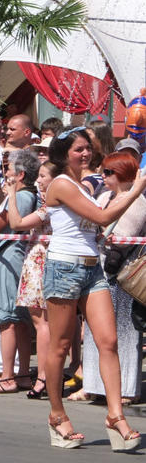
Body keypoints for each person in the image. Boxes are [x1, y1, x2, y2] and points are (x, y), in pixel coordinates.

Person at [41, 127, 146, 451]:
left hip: (91, 268)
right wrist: (137, 187)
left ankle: (116, 415)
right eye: (78, 150)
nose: (86, 154)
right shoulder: (61, 184)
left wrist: (100, 236)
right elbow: (102, 215)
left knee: (108, 341)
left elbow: (93, 225)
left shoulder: (85, 185)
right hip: (64, 268)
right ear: (63, 155)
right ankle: (57, 414)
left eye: (88, 148)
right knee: (59, 346)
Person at [77, 152, 146, 405]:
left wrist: (100, 239)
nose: (103, 177)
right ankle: (93, 385)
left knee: (125, 334)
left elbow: (125, 237)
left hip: (122, 275)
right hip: (99, 269)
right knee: (97, 332)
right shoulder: (104, 197)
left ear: (124, 175)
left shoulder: (136, 201)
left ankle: (127, 389)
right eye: (103, 172)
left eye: (108, 173)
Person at [0, 149, 39, 394]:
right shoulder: (22, 195)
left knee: (7, 319)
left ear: (20, 174)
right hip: (12, 256)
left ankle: (9, 375)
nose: (4, 174)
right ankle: (21, 374)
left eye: (8, 170)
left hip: (8, 258)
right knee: (18, 320)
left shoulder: (21, 196)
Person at [7, 161, 59, 399]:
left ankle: (44, 378)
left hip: (41, 260)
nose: (38, 180)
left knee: (42, 323)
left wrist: (11, 194)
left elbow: (16, 223)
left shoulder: (51, 207)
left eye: (43, 176)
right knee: (45, 323)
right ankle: (47, 376)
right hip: (43, 259)